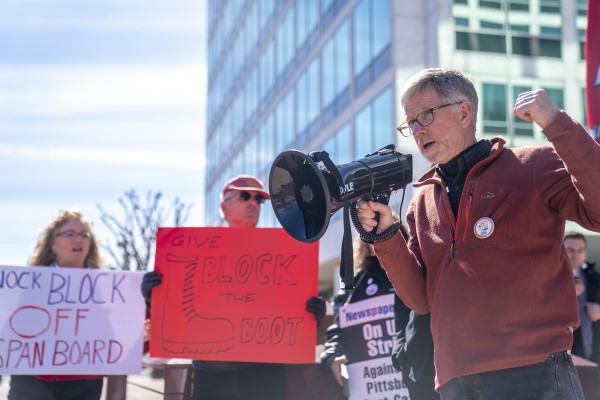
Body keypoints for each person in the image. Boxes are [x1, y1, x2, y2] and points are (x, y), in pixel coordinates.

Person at [356, 67, 600, 399]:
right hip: (454, 381)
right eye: (410, 122)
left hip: (533, 371)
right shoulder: (421, 202)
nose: (416, 130)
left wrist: (557, 123)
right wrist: (386, 237)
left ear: (464, 112)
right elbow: (420, 300)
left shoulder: (533, 166)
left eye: (425, 115)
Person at [141, 174, 326, 400]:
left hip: (265, 374)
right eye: (245, 196)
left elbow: (288, 313)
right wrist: (155, 297)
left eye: (258, 200)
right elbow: (183, 311)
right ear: (223, 207)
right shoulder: (196, 252)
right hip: (211, 375)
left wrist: (310, 314)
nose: (252, 203)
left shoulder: (282, 256)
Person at [321, 221, 438, 399]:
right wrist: (331, 355)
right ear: (363, 242)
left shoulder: (419, 272)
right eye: (371, 233)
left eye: (384, 230)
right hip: (373, 387)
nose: (377, 238)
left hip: (422, 381)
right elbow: (338, 330)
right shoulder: (354, 287)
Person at [8, 210, 105, 400]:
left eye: (84, 235)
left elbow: (123, 339)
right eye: (70, 234)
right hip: (30, 380)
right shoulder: (25, 284)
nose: (79, 239)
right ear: (52, 244)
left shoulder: (109, 288)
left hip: (83, 384)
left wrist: (149, 301)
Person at [564, 231, 600, 364]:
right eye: (570, 250)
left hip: (593, 348)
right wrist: (568, 295)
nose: (575, 255)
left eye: (580, 250)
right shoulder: (550, 277)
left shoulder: (593, 276)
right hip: (563, 351)